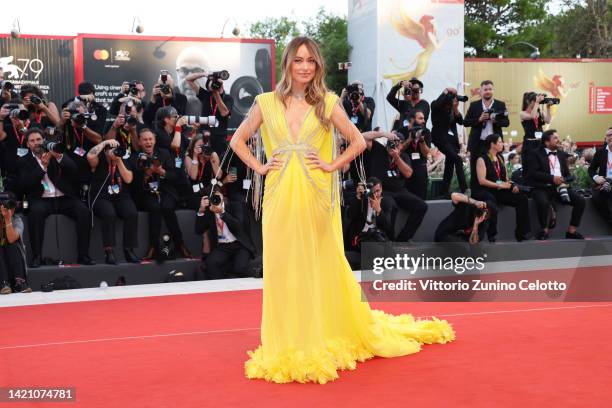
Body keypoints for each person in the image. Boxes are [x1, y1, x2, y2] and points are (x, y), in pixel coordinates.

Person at [229, 36, 454, 384]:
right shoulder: (265, 102)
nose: (304, 67)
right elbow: (236, 141)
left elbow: (359, 140)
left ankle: (318, 332)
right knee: (283, 266)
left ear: (318, 66)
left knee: (320, 263)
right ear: (288, 62)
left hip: (315, 196)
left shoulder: (327, 102)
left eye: (311, 61)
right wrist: (259, 169)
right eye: (298, 60)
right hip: (278, 196)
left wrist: (333, 165)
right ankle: (286, 339)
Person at [17, 128, 94, 267]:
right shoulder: (24, 161)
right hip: (40, 199)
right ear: (28, 144)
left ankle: (84, 255)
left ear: (44, 140)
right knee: (35, 213)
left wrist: (59, 157)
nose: (36, 143)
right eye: (32, 141)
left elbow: (73, 169)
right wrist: (42, 167)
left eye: (39, 140)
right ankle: (37, 256)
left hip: (63, 197)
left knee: (84, 212)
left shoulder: (54, 151)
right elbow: (25, 184)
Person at [130, 128, 192, 260]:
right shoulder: (135, 157)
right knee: (155, 208)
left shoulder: (164, 154)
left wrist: (161, 172)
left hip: (166, 191)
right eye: (145, 139)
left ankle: (180, 244)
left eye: (150, 139)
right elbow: (133, 183)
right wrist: (147, 174)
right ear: (139, 142)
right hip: (146, 193)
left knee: (167, 207)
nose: (148, 142)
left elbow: (175, 176)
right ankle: (153, 246)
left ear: (155, 140)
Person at [87, 139, 140, 265]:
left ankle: (128, 249)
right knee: (109, 213)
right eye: (110, 149)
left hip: (120, 195)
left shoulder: (123, 159)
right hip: (101, 196)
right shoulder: (98, 160)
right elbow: (90, 155)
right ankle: (109, 251)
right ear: (105, 151)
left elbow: (128, 179)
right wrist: (105, 143)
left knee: (132, 213)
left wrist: (118, 160)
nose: (114, 151)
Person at [525, 129, 585, 240]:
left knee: (581, 201)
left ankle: (571, 231)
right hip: (541, 187)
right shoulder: (535, 153)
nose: (558, 140)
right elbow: (532, 172)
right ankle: (544, 230)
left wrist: (565, 180)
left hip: (560, 187)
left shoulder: (561, 154)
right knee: (542, 202)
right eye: (555, 138)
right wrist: (552, 178)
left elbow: (567, 174)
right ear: (547, 142)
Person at [472, 134, 532, 242]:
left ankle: (521, 232)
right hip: (486, 190)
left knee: (522, 199)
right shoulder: (482, 159)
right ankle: (491, 235)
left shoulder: (500, 158)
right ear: (492, 144)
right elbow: (482, 181)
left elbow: (504, 178)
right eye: (499, 142)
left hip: (499, 189)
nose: (502, 144)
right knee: (492, 203)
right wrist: (500, 185)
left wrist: (511, 186)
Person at [195, 189, 255, 279]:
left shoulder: (236, 206)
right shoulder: (209, 211)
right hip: (223, 246)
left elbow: (237, 226)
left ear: (223, 196)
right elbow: (199, 230)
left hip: (240, 244)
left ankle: (258, 274)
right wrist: (201, 211)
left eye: (218, 196)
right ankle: (220, 288)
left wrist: (222, 212)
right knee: (210, 263)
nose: (215, 199)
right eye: (213, 197)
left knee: (240, 268)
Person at [431, 87, 467, 197]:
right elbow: (437, 104)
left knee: (450, 164)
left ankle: (444, 192)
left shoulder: (452, 109)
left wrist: (455, 108)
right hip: (440, 138)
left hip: (452, 141)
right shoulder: (436, 105)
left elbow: (461, 122)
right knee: (457, 159)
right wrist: (446, 91)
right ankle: (465, 189)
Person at [464, 80, 510, 159]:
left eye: (490, 89)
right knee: (475, 168)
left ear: (493, 90)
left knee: (494, 168)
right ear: (481, 91)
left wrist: (495, 120)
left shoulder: (500, 104)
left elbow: (506, 122)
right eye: (485, 90)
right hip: (477, 143)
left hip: (495, 143)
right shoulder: (474, 105)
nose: (488, 91)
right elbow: (465, 122)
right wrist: (479, 119)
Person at [0, 191, 30, 294]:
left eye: (11, 206)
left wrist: (7, 220)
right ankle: (3, 283)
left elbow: (12, 238)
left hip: (12, 263)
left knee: (13, 244)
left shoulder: (17, 220)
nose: (9, 209)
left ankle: (19, 282)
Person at [519, 92, 552, 173]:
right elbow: (532, 116)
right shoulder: (522, 113)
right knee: (530, 165)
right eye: (534, 101)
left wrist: (548, 108)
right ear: (528, 102)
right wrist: (537, 102)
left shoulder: (539, 111)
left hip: (540, 142)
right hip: (530, 144)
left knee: (542, 165)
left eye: (537, 101)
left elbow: (548, 120)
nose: (536, 102)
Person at [588, 127, 612, 225]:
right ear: (605, 138)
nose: (610, 137)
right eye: (608, 135)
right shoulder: (600, 152)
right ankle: (610, 220)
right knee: (597, 197)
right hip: (604, 182)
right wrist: (596, 178)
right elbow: (591, 169)